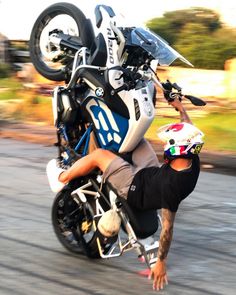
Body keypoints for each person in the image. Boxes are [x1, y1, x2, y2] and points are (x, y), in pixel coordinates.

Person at [47, 97, 204, 291]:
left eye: (168, 144)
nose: (165, 146)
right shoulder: (192, 158)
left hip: (134, 188)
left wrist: (161, 262)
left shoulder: (171, 188)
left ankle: (62, 177)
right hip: (152, 173)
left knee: (99, 156)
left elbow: (167, 229)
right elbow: (188, 128)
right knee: (135, 137)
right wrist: (180, 107)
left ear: (177, 150)